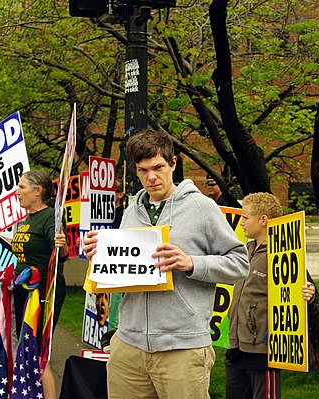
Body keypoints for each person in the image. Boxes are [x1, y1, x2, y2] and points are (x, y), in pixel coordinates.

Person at [82, 128, 249, 399]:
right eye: (142, 170)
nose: (151, 177)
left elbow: (240, 263)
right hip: (129, 345)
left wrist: (191, 263)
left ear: (173, 164)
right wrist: (99, 256)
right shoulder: (131, 211)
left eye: (158, 167)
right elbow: (123, 270)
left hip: (182, 347)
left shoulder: (202, 208)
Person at [225, 192, 315, 399]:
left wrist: (307, 292)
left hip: (263, 352)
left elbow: (297, 288)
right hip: (237, 346)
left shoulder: (281, 255)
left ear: (263, 220)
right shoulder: (245, 250)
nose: (241, 223)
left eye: (245, 218)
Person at [11, 170, 69, 399]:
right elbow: (24, 250)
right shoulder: (27, 219)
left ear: (38, 191)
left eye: (22, 187)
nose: (17, 192)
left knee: (37, 352)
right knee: (26, 350)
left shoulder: (50, 217)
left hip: (43, 293)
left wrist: (62, 245)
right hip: (24, 293)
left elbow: (62, 254)